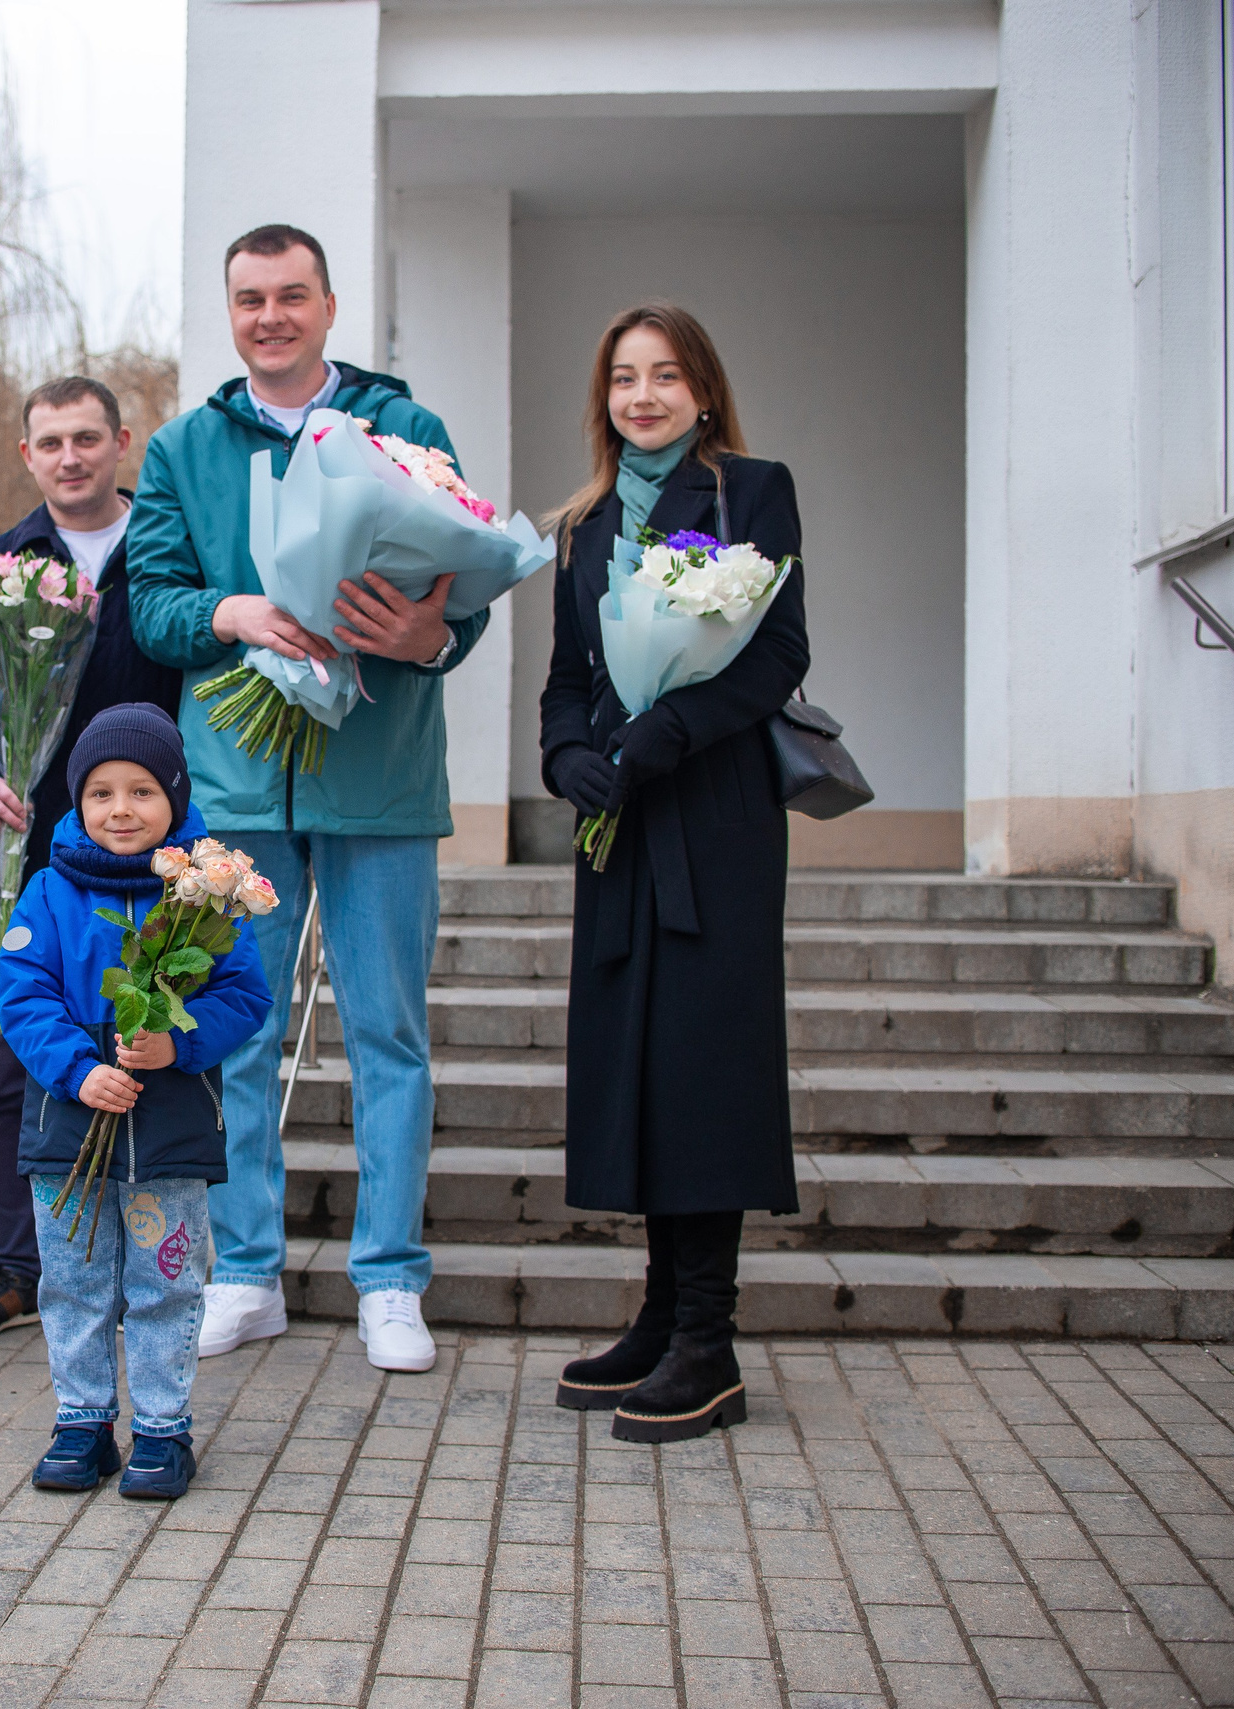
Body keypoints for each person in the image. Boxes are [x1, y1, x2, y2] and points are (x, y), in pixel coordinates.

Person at [128, 223, 489, 1374]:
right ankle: (244, 1270)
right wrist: (229, 612)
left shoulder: (405, 429)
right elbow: (152, 604)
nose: (270, 316)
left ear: (329, 306)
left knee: (389, 1033)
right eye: (250, 299)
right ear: (228, 312)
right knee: (233, 1031)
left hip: (379, 776)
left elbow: (464, 597)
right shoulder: (184, 447)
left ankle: (390, 1277)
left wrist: (427, 634)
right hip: (239, 783)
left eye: (292, 295)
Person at [538, 303, 808, 1443]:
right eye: (622, 378)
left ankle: (710, 1338)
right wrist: (565, 758)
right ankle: (660, 1316)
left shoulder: (750, 490)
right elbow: (566, 678)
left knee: (704, 1062)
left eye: (663, 375)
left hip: (713, 815)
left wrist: (671, 729)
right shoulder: (582, 525)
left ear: (702, 389)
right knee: (639, 1062)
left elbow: (779, 651)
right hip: (620, 820)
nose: (640, 396)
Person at [0, 376, 181, 1343]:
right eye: (50, 442)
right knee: (2, 1062)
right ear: (26, 454)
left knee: (138, 1058)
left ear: (122, 441)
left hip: (147, 865)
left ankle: (138, 1266)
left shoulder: (167, 554)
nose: (70, 457)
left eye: (87, 438)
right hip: (24, 865)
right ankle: (15, 1267)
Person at [0, 704, 272, 1499]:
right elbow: (21, 994)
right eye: (101, 792)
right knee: (73, 1279)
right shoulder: (48, 891)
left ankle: (161, 1428)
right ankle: (82, 1421)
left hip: (168, 1127)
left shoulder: (206, 900)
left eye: (143, 791)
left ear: (175, 800)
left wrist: (176, 1044)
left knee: (165, 1280)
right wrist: (78, 1069)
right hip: (68, 1125)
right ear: (77, 800)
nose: (121, 809)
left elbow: (245, 995)